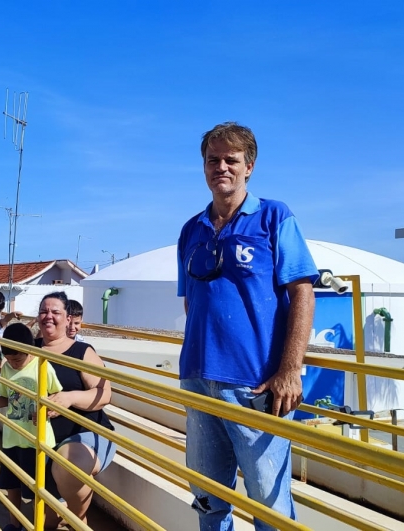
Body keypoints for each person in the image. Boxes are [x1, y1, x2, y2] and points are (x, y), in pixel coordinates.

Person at [177, 122, 318, 531]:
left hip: (256, 386)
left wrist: (290, 370)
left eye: (230, 160)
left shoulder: (274, 217)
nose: (221, 167)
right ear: (204, 167)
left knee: (268, 507)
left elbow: (303, 292)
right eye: (212, 160)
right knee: (208, 500)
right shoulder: (192, 229)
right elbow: (193, 301)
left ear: (249, 166)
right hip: (200, 381)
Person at [35, 292, 115, 529]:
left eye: (55, 312)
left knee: (68, 464)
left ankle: (77, 519)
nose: (48, 316)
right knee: (44, 524)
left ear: (68, 319)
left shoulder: (82, 351)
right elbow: (2, 365)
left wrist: (70, 398)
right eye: (43, 311)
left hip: (85, 434)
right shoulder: (29, 348)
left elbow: (104, 393)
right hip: (42, 439)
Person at [0, 322, 63, 531]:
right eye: (10, 359)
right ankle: (14, 524)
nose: (13, 363)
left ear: (29, 350)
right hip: (12, 437)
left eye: (17, 359)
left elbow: (56, 397)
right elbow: (5, 397)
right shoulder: (6, 367)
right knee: (11, 485)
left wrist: (46, 410)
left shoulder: (42, 366)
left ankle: (35, 526)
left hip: (36, 441)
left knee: (35, 490)